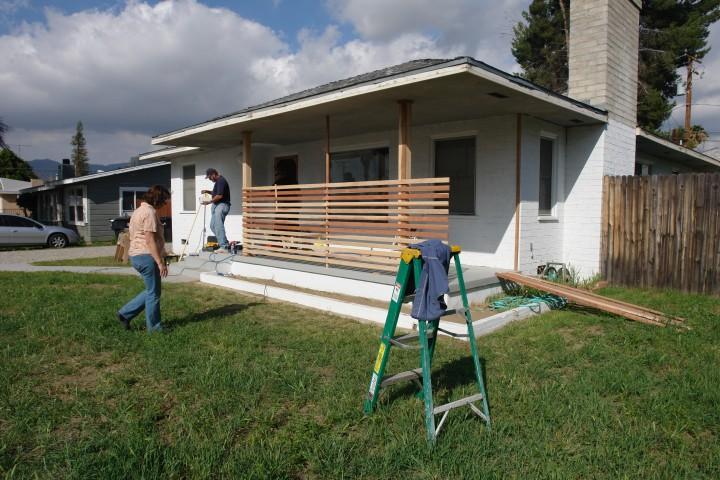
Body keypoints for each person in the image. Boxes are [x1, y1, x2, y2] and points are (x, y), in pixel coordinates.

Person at [117, 185, 170, 332]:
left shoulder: (139, 210)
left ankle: (125, 314)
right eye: (164, 200)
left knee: (151, 290)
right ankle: (154, 328)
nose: (165, 204)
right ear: (157, 199)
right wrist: (160, 262)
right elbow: (149, 239)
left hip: (136, 256)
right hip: (147, 256)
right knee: (154, 293)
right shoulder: (149, 212)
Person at [202, 168, 231, 253]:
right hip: (217, 205)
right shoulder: (218, 182)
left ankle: (224, 246)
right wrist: (207, 191)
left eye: (210, 177)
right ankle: (224, 242)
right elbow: (216, 193)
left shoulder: (221, 181)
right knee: (213, 226)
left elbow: (219, 196)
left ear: (213, 174)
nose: (210, 180)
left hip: (222, 205)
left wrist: (209, 202)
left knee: (218, 225)